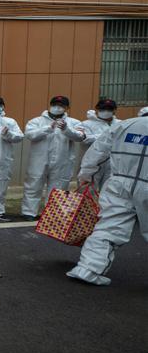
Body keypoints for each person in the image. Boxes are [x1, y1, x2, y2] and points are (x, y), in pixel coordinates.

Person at [67, 107, 148, 286]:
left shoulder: (125, 125)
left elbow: (97, 152)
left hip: (119, 183)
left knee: (108, 227)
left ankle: (88, 269)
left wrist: (86, 176)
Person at [22, 95, 86, 220]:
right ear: (50, 105)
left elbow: (80, 136)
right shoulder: (36, 121)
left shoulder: (74, 122)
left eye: (61, 105)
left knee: (58, 188)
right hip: (38, 160)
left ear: (67, 108)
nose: (58, 107)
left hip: (62, 161)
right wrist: (48, 128)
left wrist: (66, 130)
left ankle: (52, 214)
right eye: (55, 104)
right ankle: (29, 212)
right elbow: (30, 135)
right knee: (34, 184)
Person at [78, 98, 122, 191]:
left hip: (113, 164)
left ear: (114, 110)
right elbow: (85, 139)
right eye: (102, 109)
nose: (106, 111)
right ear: (97, 109)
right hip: (92, 163)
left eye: (109, 109)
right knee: (87, 191)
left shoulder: (121, 124)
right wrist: (108, 136)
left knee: (110, 192)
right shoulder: (86, 124)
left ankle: (103, 206)